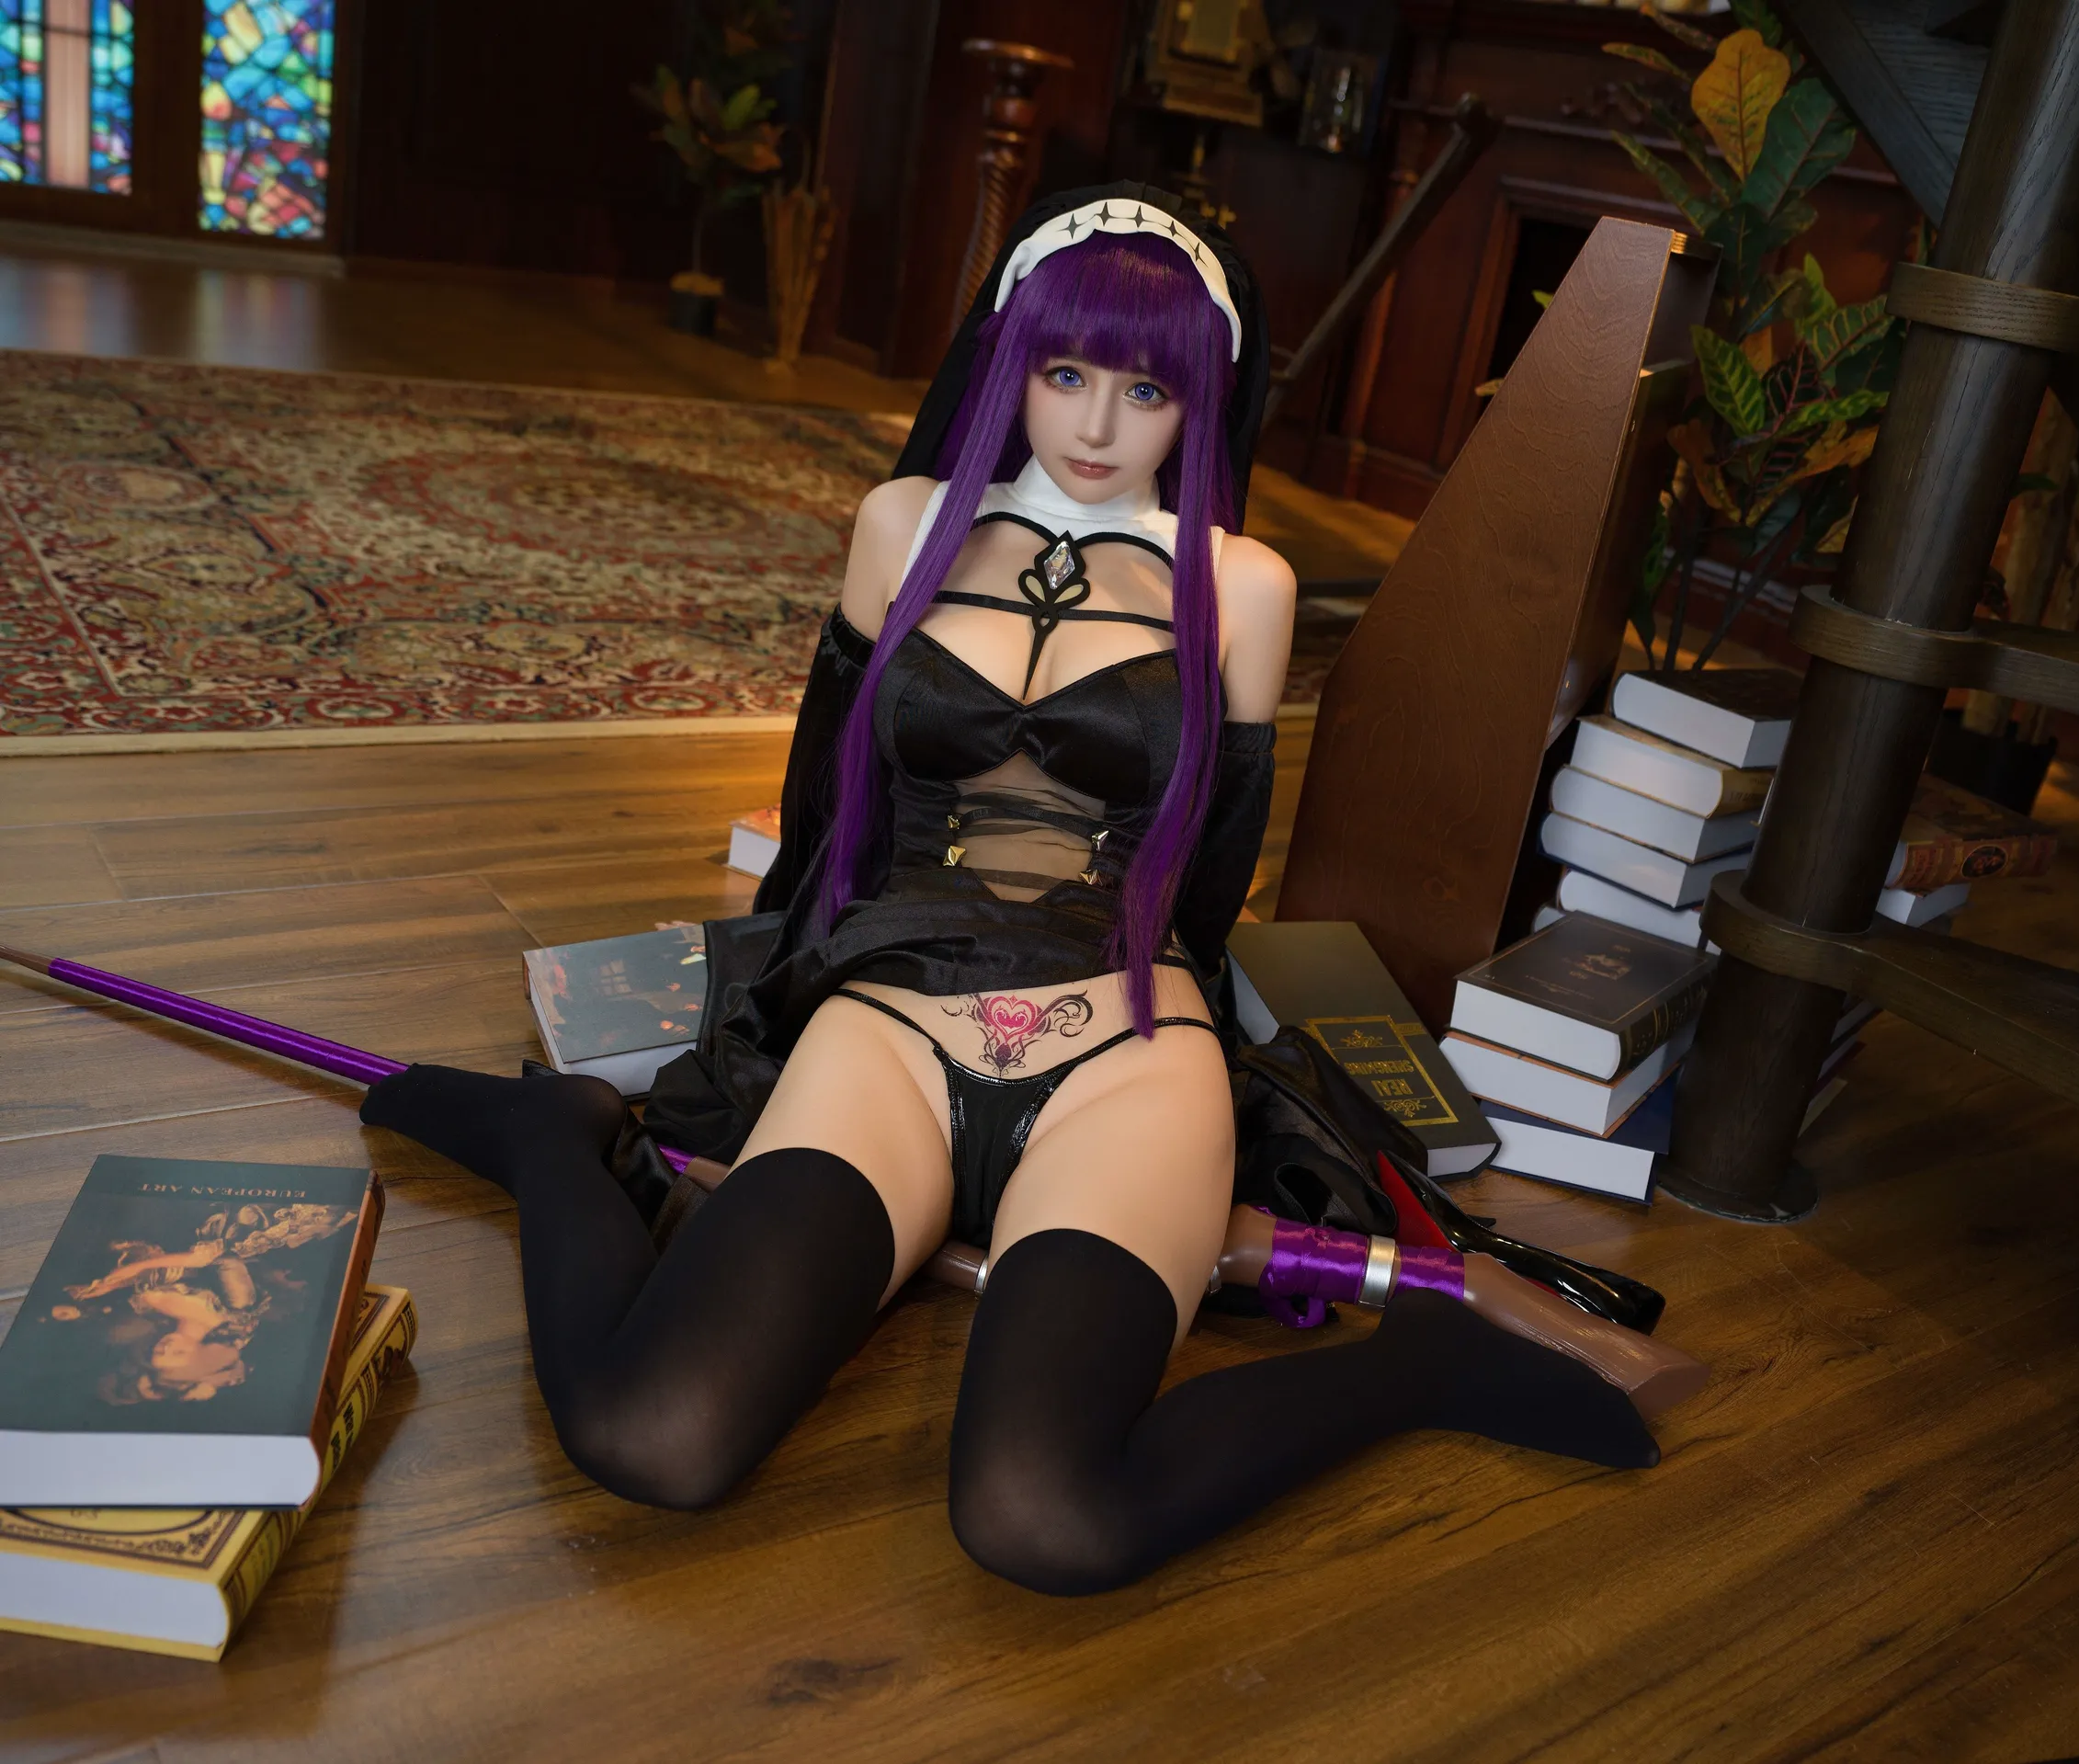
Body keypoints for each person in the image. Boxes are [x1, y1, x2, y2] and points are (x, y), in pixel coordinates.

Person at [362, 189, 1660, 1596]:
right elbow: (826, 799)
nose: (1096, 426)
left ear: (1201, 398)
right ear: (1010, 360)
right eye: (1065, 372)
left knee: (1043, 1514)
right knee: (650, 1434)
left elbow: (1211, 867)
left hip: (1124, 1054)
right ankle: (556, 1136)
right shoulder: (900, 526)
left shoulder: (1245, 586)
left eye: (1146, 390)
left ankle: (1422, 1367)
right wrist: (760, 1032)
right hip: (892, 1030)